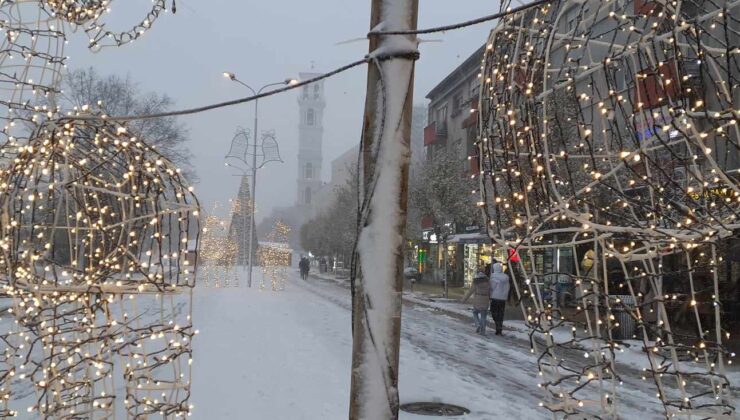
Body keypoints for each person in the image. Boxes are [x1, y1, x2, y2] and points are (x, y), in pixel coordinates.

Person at [462, 271, 491, 336]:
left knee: (475, 312)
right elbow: (490, 291)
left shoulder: (476, 282)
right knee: (483, 316)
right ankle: (482, 331)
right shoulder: (488, 282)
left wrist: (464, 299)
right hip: (485, 299)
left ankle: (477, 324)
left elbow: (470, 292)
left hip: (478, 299)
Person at [489, 262, 510, 336]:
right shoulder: (506, 277)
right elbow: (508, 288)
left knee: (494, 312)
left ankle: (497, 324)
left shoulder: (494, 276)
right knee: (501, 313)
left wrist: (489, 294)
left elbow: (492, 287)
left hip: (495, 297)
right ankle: (499, 328)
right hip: (503, 298)